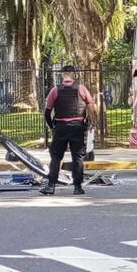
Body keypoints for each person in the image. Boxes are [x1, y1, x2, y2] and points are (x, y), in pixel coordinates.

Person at [41, 65, 96, 196]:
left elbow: (47, 112)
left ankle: (50, 186)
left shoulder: (55, 90)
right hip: (77, 126)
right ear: (74, 75)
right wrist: (93, 122)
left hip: (60, 126)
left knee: (56, 157)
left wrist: (52, 127)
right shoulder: (81, 89)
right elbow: (91, 107)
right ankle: (78, 187)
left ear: (62, 75)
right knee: (77, 157)